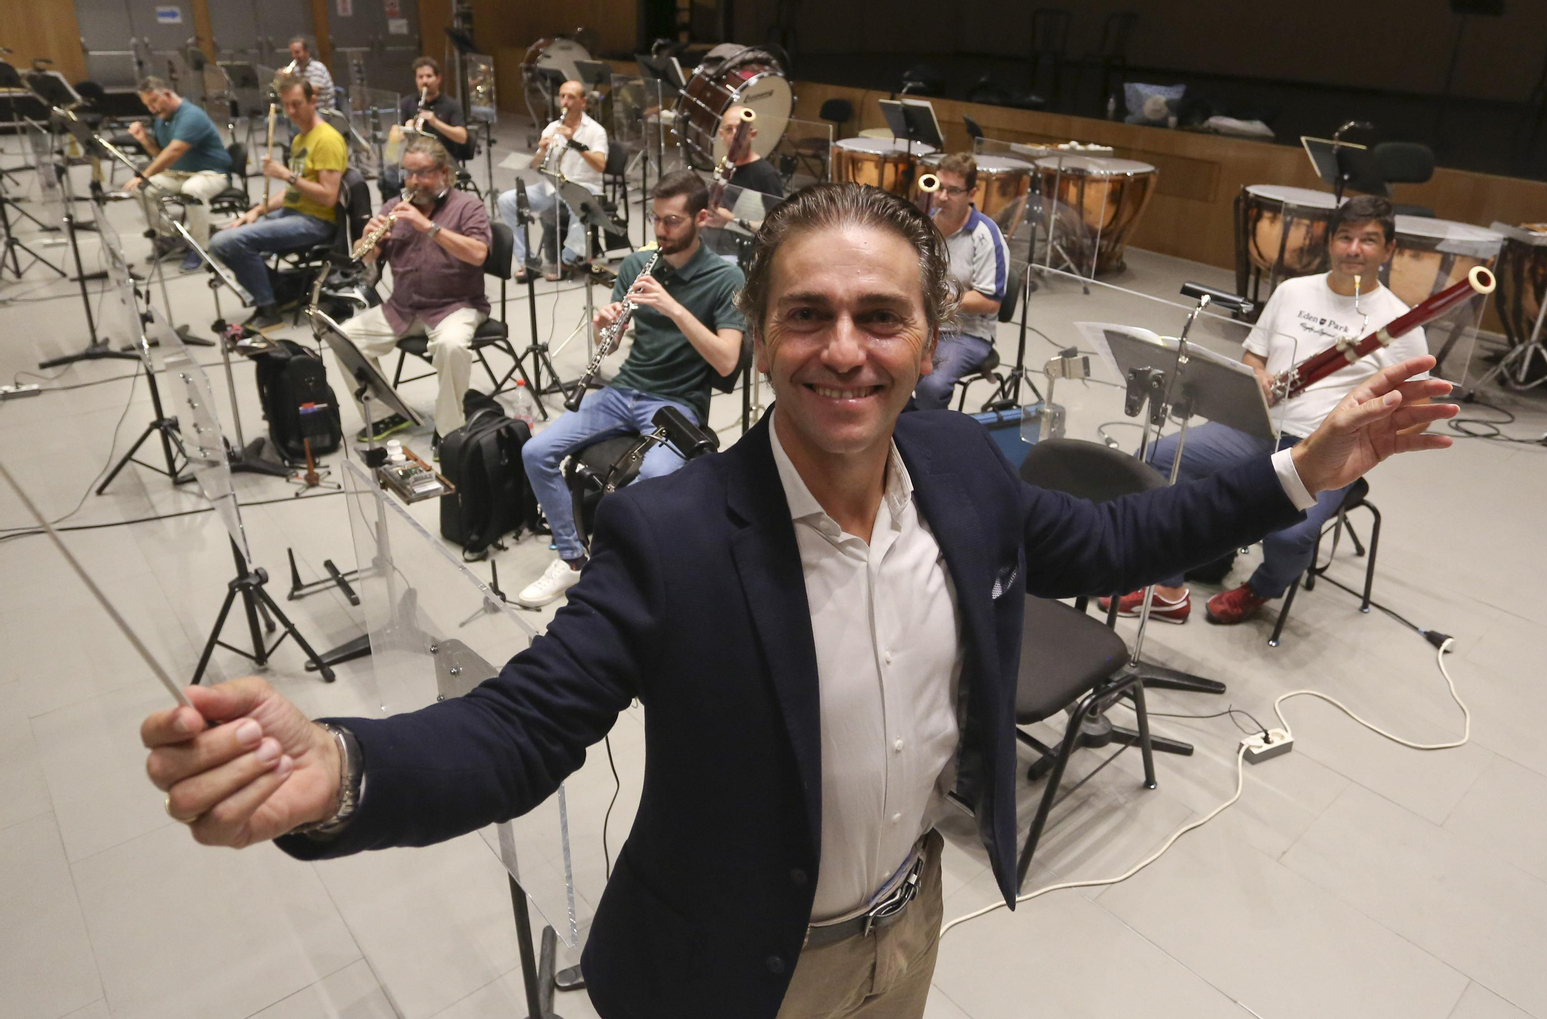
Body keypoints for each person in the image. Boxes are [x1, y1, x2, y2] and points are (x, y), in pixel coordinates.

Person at [138, 183, 1456, 1019]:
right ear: (760, 337)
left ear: (928, 339)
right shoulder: (669, 531)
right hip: (730, 969)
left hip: (909, 921)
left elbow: (1120, 530)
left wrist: (1300, 467)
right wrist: (349, 763)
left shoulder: (955, 459)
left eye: (881, 317)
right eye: (807, 315)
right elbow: (526, 722)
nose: (844, 348)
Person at [1104, 194, 1432, 626]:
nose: (1355, 250)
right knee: (1158, 460)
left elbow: (1422, 408)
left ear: (1388, 250)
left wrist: (1369, 419)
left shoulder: (1398, 322)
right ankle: (1167, 586)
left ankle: (1262, 587)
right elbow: (1252, 358)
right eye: (1346, 237)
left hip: (1322, 447)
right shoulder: (1291, 291)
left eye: (1368, 241)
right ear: (1331, 242)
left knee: (1292, 532)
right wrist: (1256, 377)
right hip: (1254, 427)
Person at [516, 168, 744, 608]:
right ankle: (571, 558)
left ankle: (629, 569)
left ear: (700, 219)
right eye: (656, 219)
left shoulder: (725, 280)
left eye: (672, 221)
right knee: (535, 452)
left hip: (676, 403)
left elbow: (727, 360)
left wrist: (674, 308)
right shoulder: (640, 265)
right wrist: (607, 325)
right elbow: (615, 342)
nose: (661, 230)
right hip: (624, 391)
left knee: (654, 479)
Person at [334, 137, 489, 444]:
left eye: (423, 173)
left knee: (452, 347)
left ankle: (450, 434)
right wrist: (368, 244)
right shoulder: (395, 206)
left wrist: (428, 227)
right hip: (403, 307)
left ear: (444, 172)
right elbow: (364, 261)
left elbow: (478, 254)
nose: (414, 182)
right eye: (408, 173)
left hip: (456, 306)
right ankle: (383, 415)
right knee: (343, 338)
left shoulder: (468, 206)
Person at [208, 75, 347, 330]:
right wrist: (257, 210)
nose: (291, 112)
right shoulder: (299, 138)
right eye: (286, 105)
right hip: (294, 212)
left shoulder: (327, 140)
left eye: (297, 104)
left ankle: (268, 307)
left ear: (313, 101)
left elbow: (328, 195)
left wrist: (287, 175)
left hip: (316, 222)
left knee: (229, 242)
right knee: (222, 238)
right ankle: (282, 291)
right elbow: (293, 193)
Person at [912, 153, 1006, 410]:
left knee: (931, 384)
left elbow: (990, 301)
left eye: (953, 190)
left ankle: (929, 440)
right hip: (924, 323)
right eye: (939, 187)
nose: (942, 197)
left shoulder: (986, 235)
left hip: (967, 333)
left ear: (972, 193)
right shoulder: (922, 223)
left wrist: (940, 299)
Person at [495, 78, 607, 281]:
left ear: (583, 102)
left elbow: (600, 164)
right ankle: (527, 261)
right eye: (562, 96)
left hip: (583, 187)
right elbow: (537, 167)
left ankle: (565, 261)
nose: (564, 102)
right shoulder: (551, 128)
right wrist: (541, 151)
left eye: (571, 97)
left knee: (580, 206)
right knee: (507, 200)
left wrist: (574, 142)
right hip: (553, 186)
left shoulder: (595, 131)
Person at [125, 76, 233, 272]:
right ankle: (173, 239)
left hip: (212, 174)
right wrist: (144, 140)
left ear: (166, 94)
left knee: (191, 190)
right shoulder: (162, 119)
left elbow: (174, 151)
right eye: (148, 105)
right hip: (179, 173)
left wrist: (144, 174)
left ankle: (200, 248)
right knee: (142, 190)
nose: (152, 109)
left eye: (154, 102)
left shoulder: (191, 116)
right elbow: (162, 155)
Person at [379, 57, 472, 201]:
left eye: (429, 76)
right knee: (386, 178)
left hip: (442, 162)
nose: (425, 81)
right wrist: (406, 128)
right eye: (420, 77)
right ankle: (397, 213)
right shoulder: (407, 103)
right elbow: (393, 137)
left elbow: (462, 137)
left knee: (428, 184)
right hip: (414, 162)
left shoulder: (451, 105)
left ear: (438, 78)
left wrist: (436, 123)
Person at [284, 36, 337, 114]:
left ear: (307, 52)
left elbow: (313, 90)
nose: (294, 56)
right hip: (304, 109)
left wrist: (292, 85)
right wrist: (283, 80)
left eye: (297, 52)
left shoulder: (317, 67)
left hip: (322, 110)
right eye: (292, 53)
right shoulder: (296, 69)